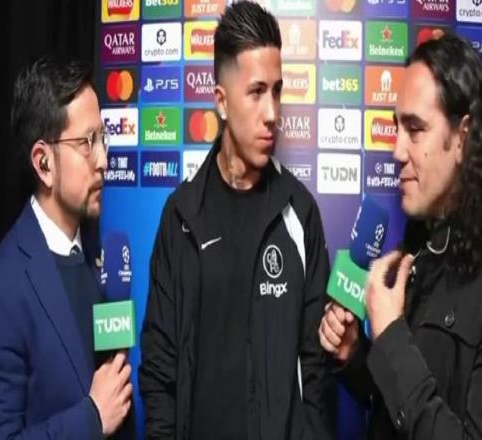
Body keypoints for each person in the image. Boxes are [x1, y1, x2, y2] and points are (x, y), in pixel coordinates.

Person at [139, 1, 335, 439]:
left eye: (277, 91)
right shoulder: (181, 216)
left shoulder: (300, 213)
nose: (273, 113)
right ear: (222, 102)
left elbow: (316, 372)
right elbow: (160, 366)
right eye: (256, 92)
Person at [319, 34, 482, 439]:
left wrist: (391, 335)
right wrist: (355, 355)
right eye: (396, 127)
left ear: (462, 137)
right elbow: (396, 411)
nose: (396, 151)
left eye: (415, 129)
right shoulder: (419, 247)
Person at [0, 57, 133, 438]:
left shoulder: (104, 257)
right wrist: (91, 418)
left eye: (103, 138)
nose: (103, 160)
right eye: (87, 142)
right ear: (43, 163)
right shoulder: (1, 287)